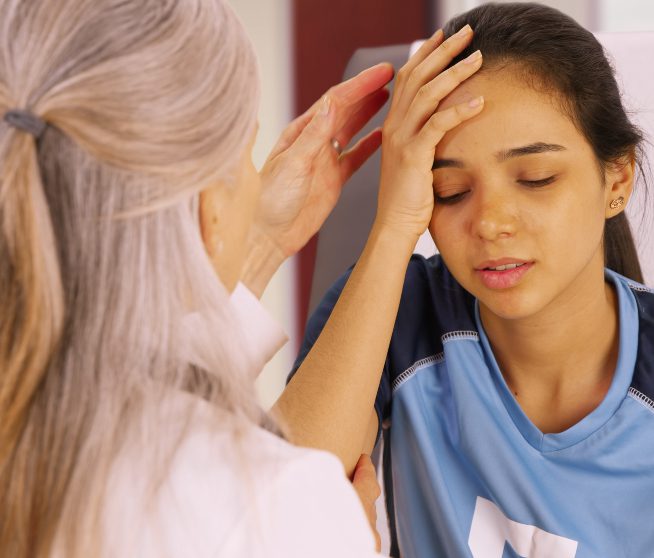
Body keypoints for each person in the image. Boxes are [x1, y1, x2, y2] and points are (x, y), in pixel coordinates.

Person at [0, 0, 400, 556]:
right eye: (245, 156)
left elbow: (129, 385)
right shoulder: (273, 505)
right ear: (210, 207)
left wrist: (258, 244)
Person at [278, 2, 654, 557]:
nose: (490, 223)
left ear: (616, 178)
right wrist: (394, 224)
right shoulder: (400, 314)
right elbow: (277, 511)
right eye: (450, 190)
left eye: (536, 178)